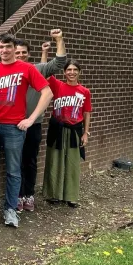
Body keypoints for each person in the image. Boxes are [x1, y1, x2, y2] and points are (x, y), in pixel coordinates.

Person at [0, 33, 52, 228]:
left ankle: (11, 209)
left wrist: (31, 119)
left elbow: (47, 93)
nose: (4, 50)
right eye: (1, 47)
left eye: (8, 47)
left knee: (14, 170)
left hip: (14, 128)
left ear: (14, 48)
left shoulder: (27, 68)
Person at [14, 29, 66, 212]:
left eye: (23, 53)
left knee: (30, 161)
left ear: (28, 54)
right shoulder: (7, 72)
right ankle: (17, 196)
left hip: (33, 125)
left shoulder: (36, 69)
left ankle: (28, 195)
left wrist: (59, 39)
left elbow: (59, 62)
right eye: (17, 52)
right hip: (12, 126)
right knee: (15, 163)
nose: (20, 55)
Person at [42, 60, 92, 207]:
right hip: (57, 129)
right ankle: (54, 194)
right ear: (64, 72)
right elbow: (45, 71)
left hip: (74, 130)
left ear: (79, 72)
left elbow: (87, 112)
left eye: (75, 69)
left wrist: (86, 133)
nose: (72, 72)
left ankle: (70, 196)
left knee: (72, 163)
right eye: (69, 69)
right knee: (54, 161)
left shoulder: (84, 91)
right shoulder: (57, 85)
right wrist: (44, 53)